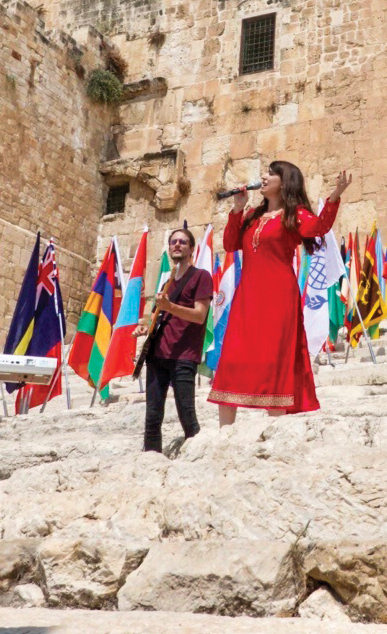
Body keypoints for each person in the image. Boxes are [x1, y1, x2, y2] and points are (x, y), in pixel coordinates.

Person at [209, 161, 351, 422]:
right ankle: (225, 432)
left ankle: (276, 428)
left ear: (285, 183)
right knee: (232, 357)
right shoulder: (251, 216)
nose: (264, 177)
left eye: (271, 173)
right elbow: (230, 244)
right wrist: (238, 209)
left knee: (275, 360)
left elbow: (319, 227)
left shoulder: (293, 215)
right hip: (248, 297)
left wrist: (335, 196)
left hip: (278, 297)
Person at [136, 227, 213, 454]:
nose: (177, 245)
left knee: (186, 413)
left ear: (191, 249)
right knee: (152, 417)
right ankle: (150, 461)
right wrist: (145, 328)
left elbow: (199, 316)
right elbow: (158, 317)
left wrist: (170, 306)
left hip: (183, 356)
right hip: (157, 355)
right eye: (173, 242)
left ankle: (199, 458)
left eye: (183, 242)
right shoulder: (165, 284)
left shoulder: (201, 277)